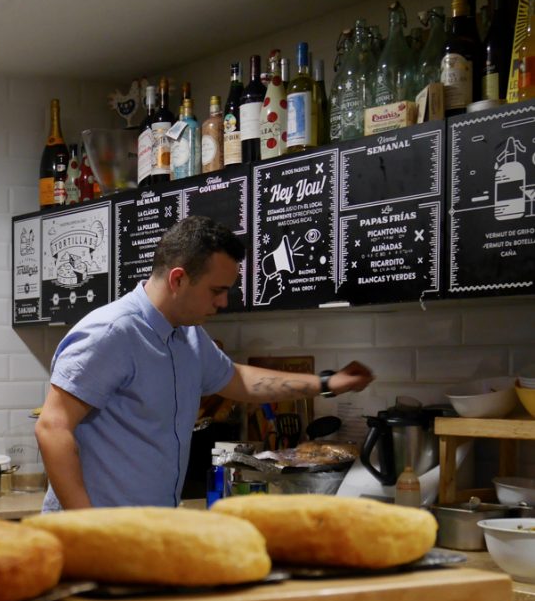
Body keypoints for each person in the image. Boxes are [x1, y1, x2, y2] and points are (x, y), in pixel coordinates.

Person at [35, 216, 374, 512]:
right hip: (95, 535)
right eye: (216, 290)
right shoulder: (111, 333)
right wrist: (88, 524)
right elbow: (52, 426)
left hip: (151, 528)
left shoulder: (188, 337)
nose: (223, 301)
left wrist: (327, 383)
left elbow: (237, 380)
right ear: (178, 279)